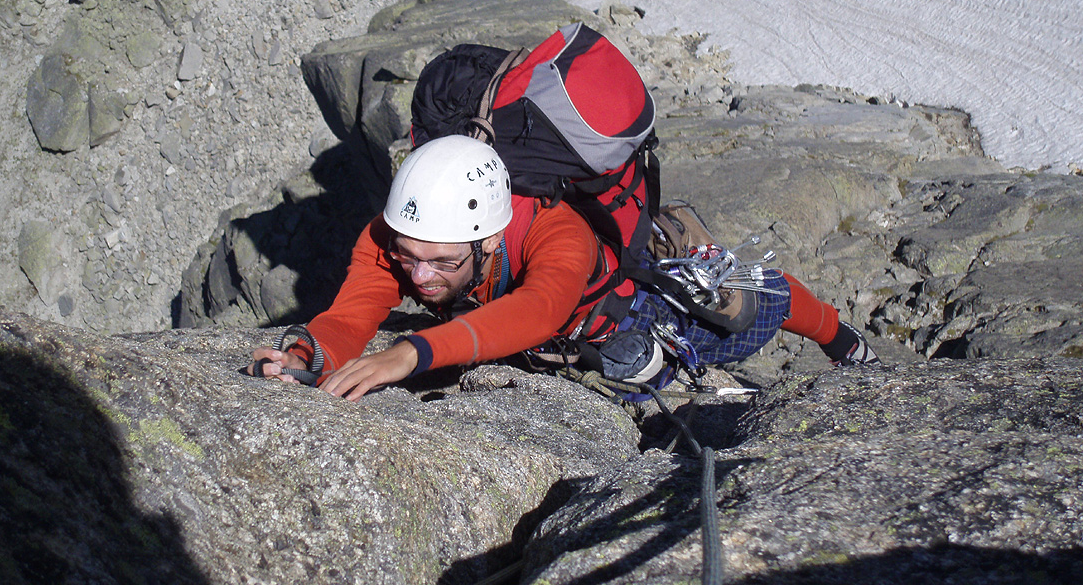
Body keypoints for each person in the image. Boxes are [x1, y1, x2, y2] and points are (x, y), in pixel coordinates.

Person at [248, 135, 879, 400]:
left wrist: (410, 353)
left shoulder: (557, 231)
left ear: (489, 238)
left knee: (752, 303)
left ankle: (844, 340)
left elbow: (541, 308)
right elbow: (353, 311)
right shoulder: (398, 236)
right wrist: (314, 349)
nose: (417, 277)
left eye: (438, 262)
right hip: (550, 338)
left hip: (626, 305)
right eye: (408, 258)